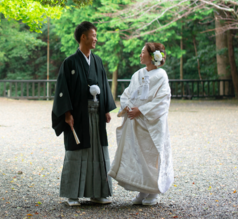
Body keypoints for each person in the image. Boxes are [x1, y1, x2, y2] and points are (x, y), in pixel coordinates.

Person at [52, 21, 117, 206]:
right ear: (83, 37)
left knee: (97, 152)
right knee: (77, 152)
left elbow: (103, 85)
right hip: (78, 115)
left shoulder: (97, 61)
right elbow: (62, 91)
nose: (95, 39)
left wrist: (105, 108)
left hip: (96, 115)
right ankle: (72, 195)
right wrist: (66, 113)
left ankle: (97, 193)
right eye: (93, 35)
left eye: (96, 36)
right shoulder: (70, 63)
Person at [108, 42, 174, 206]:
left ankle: (153, 191)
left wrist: (142, 110)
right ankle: (143, 190)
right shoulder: (137, 74)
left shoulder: (161, 75)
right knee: (138, 156)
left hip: (151, 123)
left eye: (143, 52)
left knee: (151, 155)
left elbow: (162, 100)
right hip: (135, 121)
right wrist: (130, 108)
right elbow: (126, 94)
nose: (140, 54)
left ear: (152, 56)